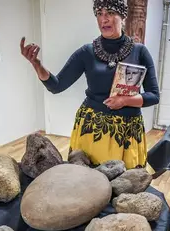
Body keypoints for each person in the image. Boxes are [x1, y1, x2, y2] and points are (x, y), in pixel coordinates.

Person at [19, 0, 160, 169]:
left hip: (127, 132)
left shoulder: (140, 51)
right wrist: (37, 65)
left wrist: (124, 101)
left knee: (124, 185)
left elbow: (154, 96)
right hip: (92, 130)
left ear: (122, 16)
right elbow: (56, 86)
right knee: (87, 183)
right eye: (99, 14)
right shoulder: (87, 52)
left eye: (109, 13)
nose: (104, 19)